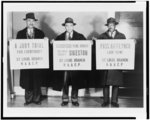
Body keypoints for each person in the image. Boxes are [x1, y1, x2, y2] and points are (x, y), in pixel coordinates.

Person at [52, 17, 87, 106]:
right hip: (64, 64)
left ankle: (75, 100)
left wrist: (89, 44)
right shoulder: (60, 37)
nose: (69, 27)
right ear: (65, 27)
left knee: (75, 81)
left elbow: (86, 47)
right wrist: (52, 43)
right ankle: (65, 99)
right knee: (65, 82)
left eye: (70, 25)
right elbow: (55, 50)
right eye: (67, 26)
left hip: (76, 64)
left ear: (73, 26)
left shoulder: (80, 36)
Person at [16, 12, 46, 105]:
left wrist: (46, 41)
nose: (31, 22)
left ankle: (37, 99)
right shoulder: (20, 34)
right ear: (26, 21)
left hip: (37, 62)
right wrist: (11, 43)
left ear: (34, 22)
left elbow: (44, 48)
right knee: (27, 79)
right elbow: (16, 48)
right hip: (25, 62)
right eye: (29, 20)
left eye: (32, 21)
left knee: (36, 80)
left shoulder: (40, 33)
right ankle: (28, 100)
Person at [98, 17, 126, 107]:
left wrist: (133, 43)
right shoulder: (102, 36)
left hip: (116, 63)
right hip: (105, 63)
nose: (110, 26)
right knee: (105, 83)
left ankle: (114, 101)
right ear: (107, 25)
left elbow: (126, 49)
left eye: (112, 25)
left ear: (115, 25)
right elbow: (97, 50)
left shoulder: (122, 36)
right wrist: (95, 43)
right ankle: (105, 101)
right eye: (109, 25)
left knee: (116, 83)